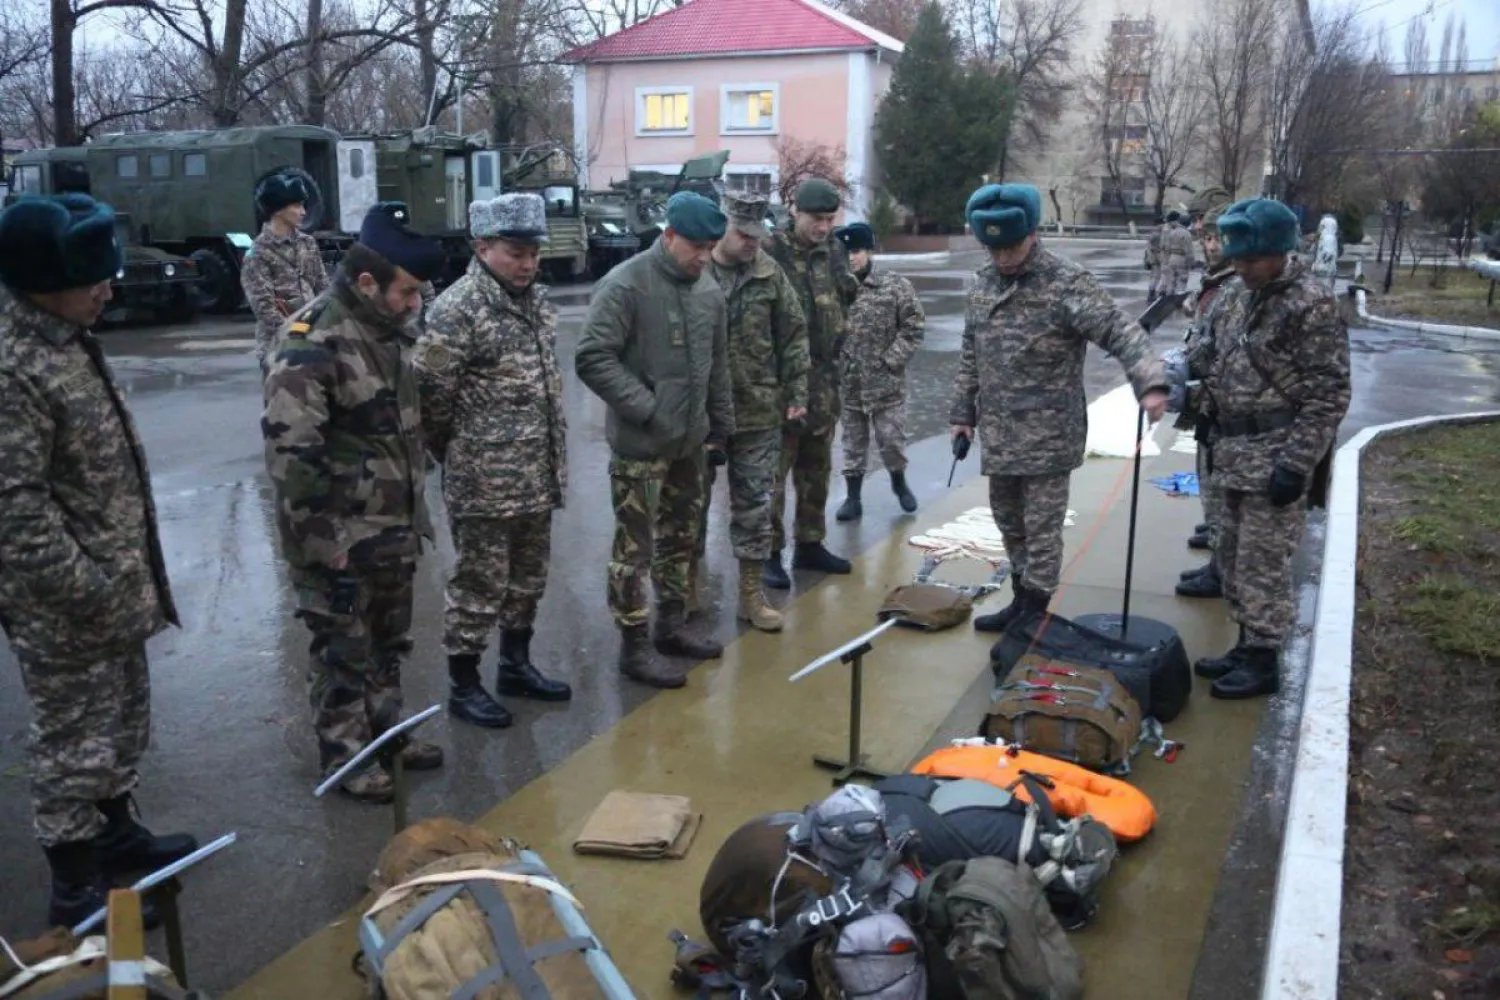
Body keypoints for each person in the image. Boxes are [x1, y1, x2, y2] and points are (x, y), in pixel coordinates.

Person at [0, 193, 198, 927]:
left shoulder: (64, 337)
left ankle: (116, 833)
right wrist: (87, 590)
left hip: (111, 589)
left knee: (117, 725)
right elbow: (15, 513)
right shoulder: (14, 366)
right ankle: (76, 885)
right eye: (95, 279)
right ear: (43, 279)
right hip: (66, 604)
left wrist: (121, 585)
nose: (108, 289)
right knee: (68, 745)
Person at [263, 205, 448, 802]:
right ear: (367, 282)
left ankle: (386, 735)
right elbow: (292, 454)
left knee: (389, 642)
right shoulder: (312, 340)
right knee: (343, 648)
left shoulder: (387, 331)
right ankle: (344, 757)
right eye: (407, 291)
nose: (414, 302)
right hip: (339, 534)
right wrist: (325, 544)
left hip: (391, 523)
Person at [949, 184, 1169, 630]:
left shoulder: (1065, 282)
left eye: (1011, 246)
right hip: (1001, 433)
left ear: (1032, 233)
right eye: (994, 248)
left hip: (1049, 433)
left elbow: (1120, 330)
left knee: (1042, 529)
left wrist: (1149, 382)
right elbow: (972, 350)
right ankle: (1021, 596)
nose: (1004, 257)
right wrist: (962, 414)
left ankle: (1035, 611)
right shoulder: (983, 283)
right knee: (1008, 521)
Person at [415, 193, 571, 730]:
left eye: (534, 252)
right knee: (478, 587)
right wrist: (462, 455)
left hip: (535, 475)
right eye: (515, 252)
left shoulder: (533, 302)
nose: (528, 263)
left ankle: (515, 665)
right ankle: (464, 684)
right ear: (482, 247)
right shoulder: (456, 311)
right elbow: (430, 403)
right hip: (483, 482)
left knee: (528, 580)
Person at [1186, 198, 1350, 699]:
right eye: (1237, 257)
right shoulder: (1236, 293)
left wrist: (1298, 462)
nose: (1242, 267)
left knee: (1263, 563)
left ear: (1281, 250)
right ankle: (1246, 642)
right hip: (1232, 449)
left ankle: (1265, 659)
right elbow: (1212, 356)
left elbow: (1330, 392)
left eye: (1253, 259)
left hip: (1277, 453)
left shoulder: (1311, 303)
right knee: (1233, 557)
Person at [576, 192, 735, 690]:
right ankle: (634, 644)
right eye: (695, 247)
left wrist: (720, 426)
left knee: (682, 539)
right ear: (668, 236)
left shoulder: (708, 290)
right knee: (634, 550)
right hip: (641, 448)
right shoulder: (626, 285)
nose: (704, 257)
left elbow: (717, 366)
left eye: (711, 247)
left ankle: (671, 624)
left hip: (689, 445)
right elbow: (593, 357)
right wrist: (648, 409)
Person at [696, 191, 809, 632]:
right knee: (692, 505)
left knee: (755, 505)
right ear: (723, 227)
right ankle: (687, 588)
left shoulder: (768, 272)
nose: (751, 244)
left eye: (757, 235)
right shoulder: (698, 269)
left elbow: (794, 333)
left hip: (759, 410)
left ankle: (750, 594)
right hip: (703, 415)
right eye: (743, 235)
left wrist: (797, 390)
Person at [763, 178, 859, 589]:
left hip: (823, 378)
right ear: (794, 212)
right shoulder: (770, 253)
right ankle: (767, 553)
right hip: (780, 382)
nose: (823, 227)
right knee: (772, 475)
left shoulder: (833, 249)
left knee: (816, 467)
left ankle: (809, 543)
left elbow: (845, 295)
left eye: (829, 219)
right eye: (816, 219)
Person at [832, 221, 925, 521]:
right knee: (852, 444)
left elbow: (913, 327)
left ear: (869, 251)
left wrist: (891, 360)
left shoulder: (894, 286)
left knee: (891, 440)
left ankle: (899, 484)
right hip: (849, 384)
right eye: (846, 252)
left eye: (857, 251)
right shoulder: (832, 288)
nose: (852, 258)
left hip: (886, 383)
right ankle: (853, 497)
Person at [1175, 201, 1239, 600]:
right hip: (1208, 399)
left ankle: (1222, 569)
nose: (1212, 246)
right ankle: (1217, 555)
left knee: (1218, 485)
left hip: (1223, 400)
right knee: (1207, 476)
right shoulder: (1217, 281)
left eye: (1218, 238)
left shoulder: (1232, 286)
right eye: (1208, 238)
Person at [241, 166, 329, 370]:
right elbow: (265, 309)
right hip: (278, 349)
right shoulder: (258, 253)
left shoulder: (308, 244)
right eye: (297, 206)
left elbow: (324, 289)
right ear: (279, 209)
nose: (304, 212)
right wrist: (298, 334)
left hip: (312, 342)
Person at [1159, 211, 1194, 297]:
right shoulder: (1186, 234)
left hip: (1172, 258)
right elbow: (1188, 250)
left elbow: (1165, 247)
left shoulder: (1172, 232)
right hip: (1182, 259)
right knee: (1182, 281)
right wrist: (1190, 263)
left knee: (1171, 281)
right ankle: (1178, 300)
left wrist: (1166, 261)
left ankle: (1168, 299)